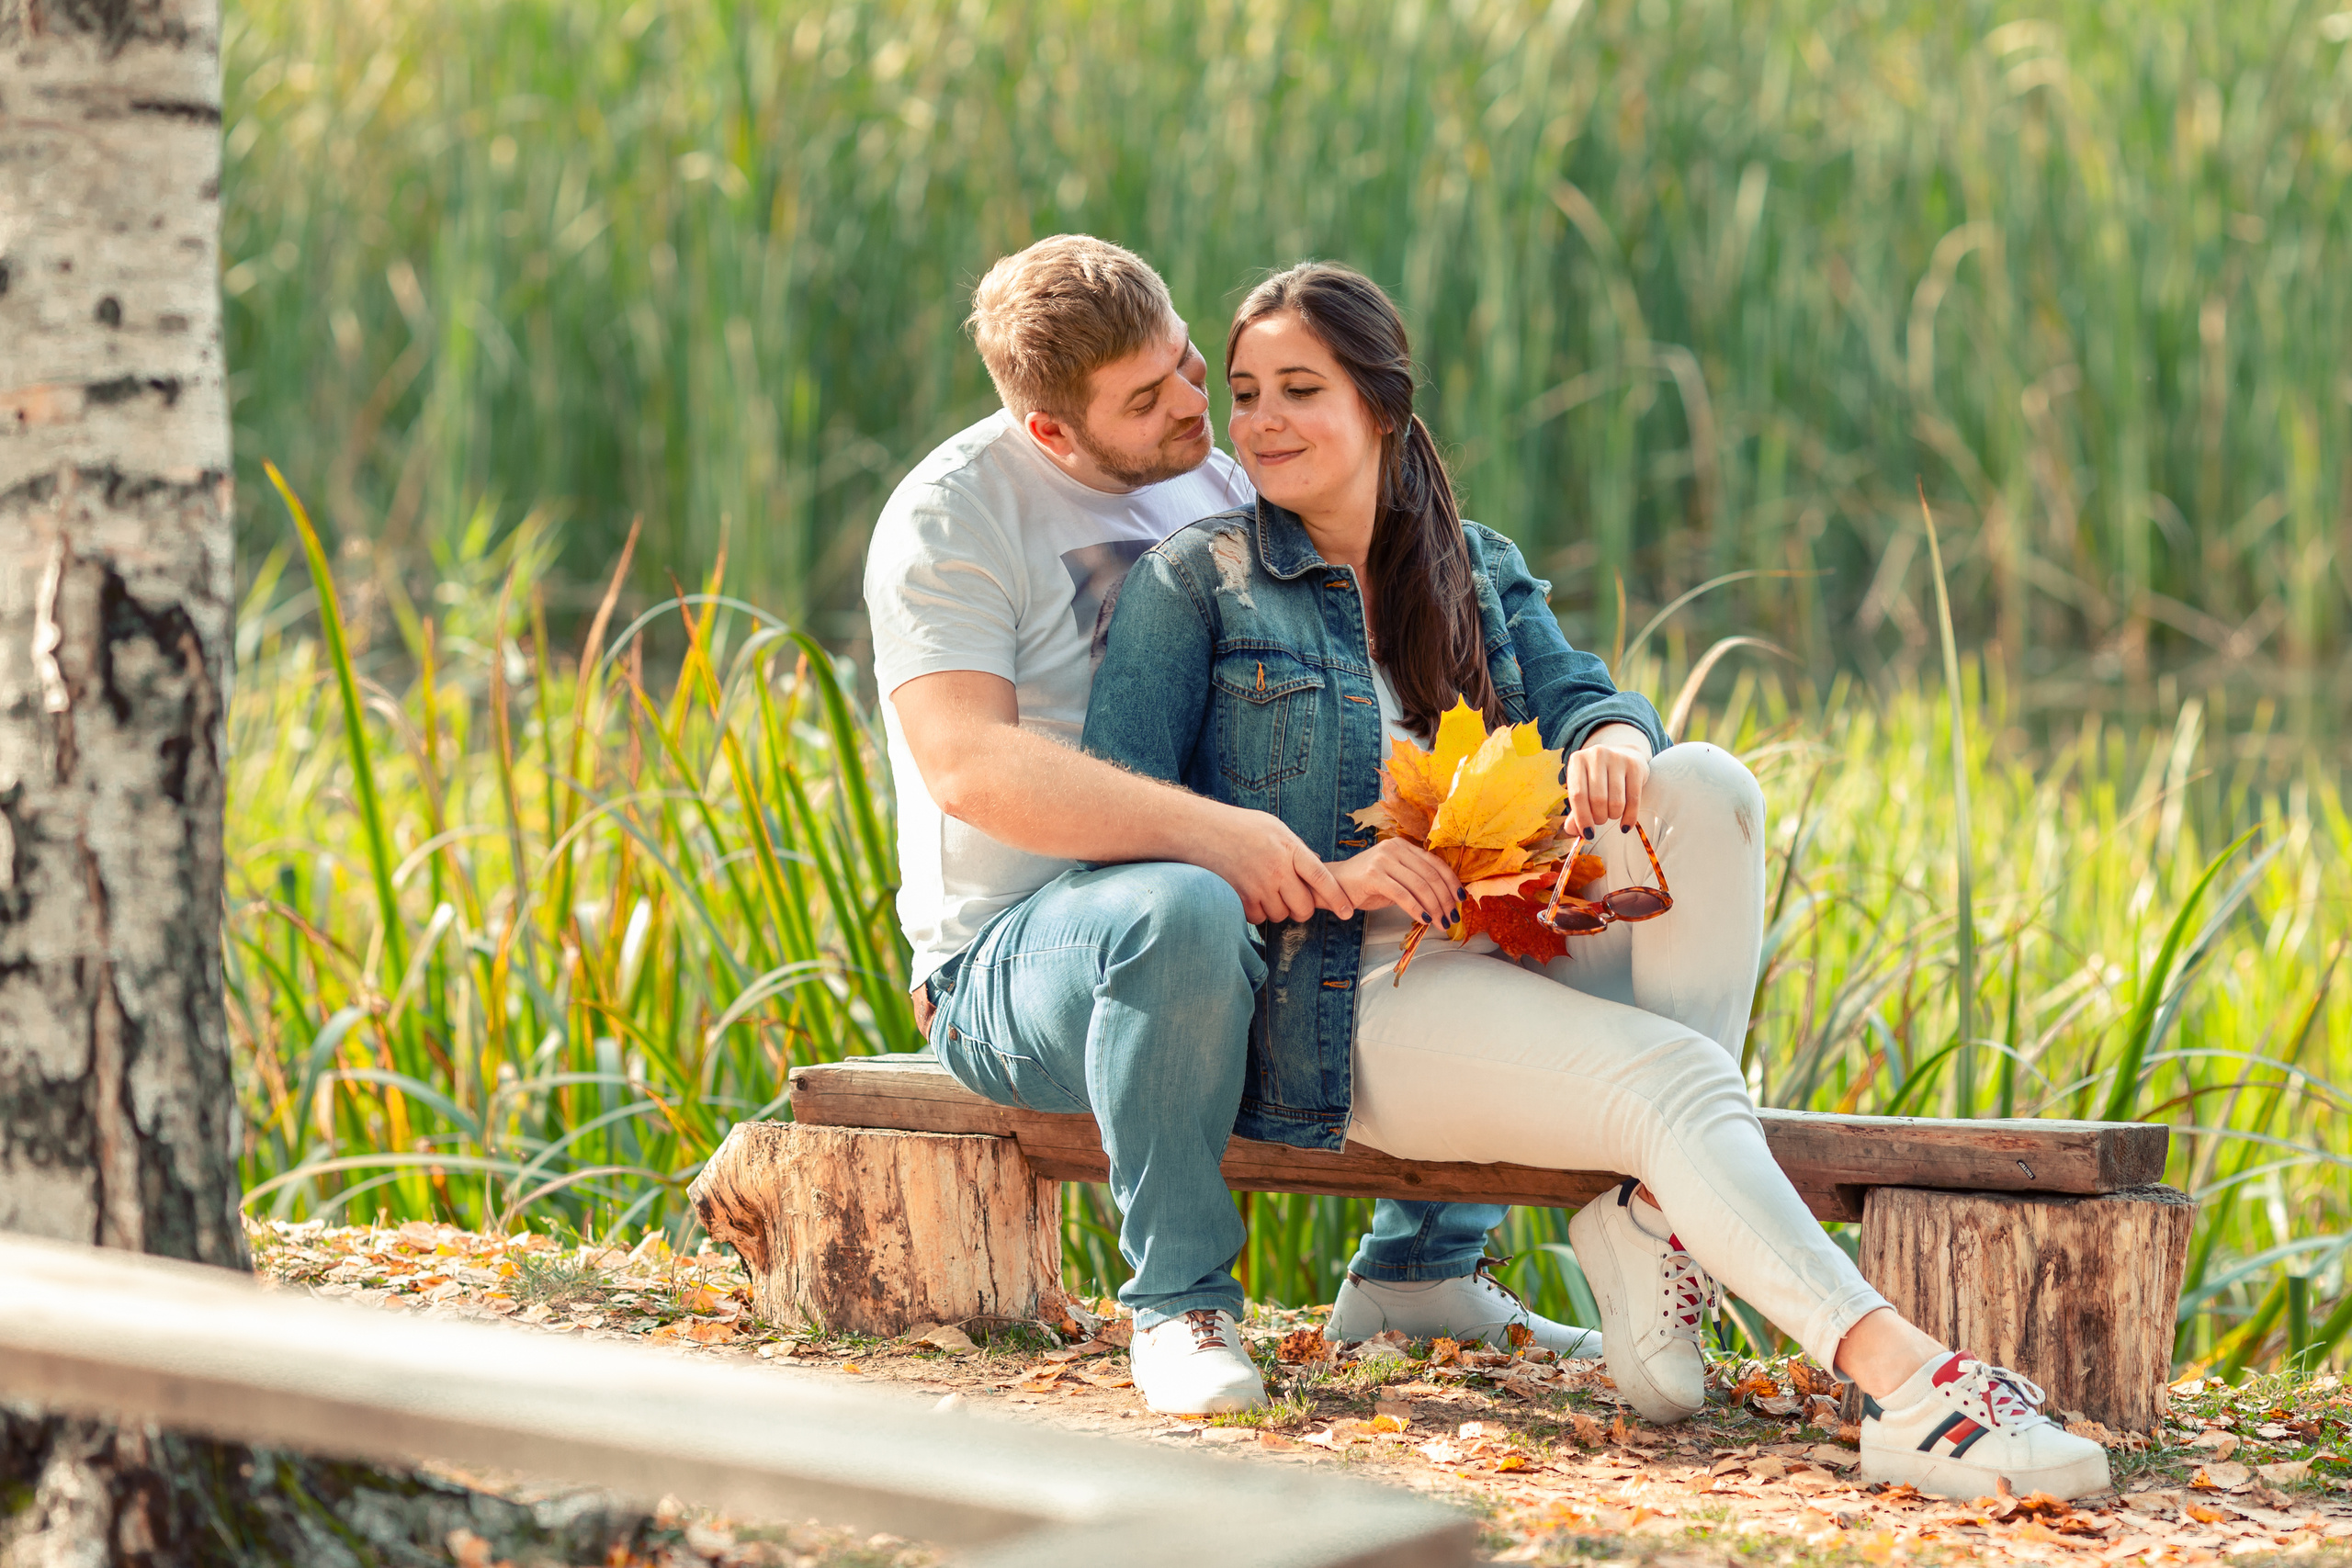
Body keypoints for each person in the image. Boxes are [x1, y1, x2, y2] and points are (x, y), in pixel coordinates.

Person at [1079, 260, 2111, 1501]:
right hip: (1344, 999)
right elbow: (1123, 826)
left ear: (1382, 408)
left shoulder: (1470, 564)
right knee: (1674, 1075)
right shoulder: (1199, 581)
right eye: (1246, 392)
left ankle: (1644, 1207)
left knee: (1705, 783)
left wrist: (1614, 742)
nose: (1262, 422)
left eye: (1301, 387)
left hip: (1501, 944)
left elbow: (1586, 695)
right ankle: (1914, 1387)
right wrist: (1332, 873)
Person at [864, 236, 1592, 1418]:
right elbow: (967, 766)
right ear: (1054, 432)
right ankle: (1180, 1307)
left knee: (1473, 845)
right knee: (1182, 905)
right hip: (1017, 958)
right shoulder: (952, 519)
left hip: (1253, 910)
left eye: (1190, 366)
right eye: (1147, 401)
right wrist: (1222, 838)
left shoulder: (1215, 467)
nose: (1199, 409)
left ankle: (1427, 1268)